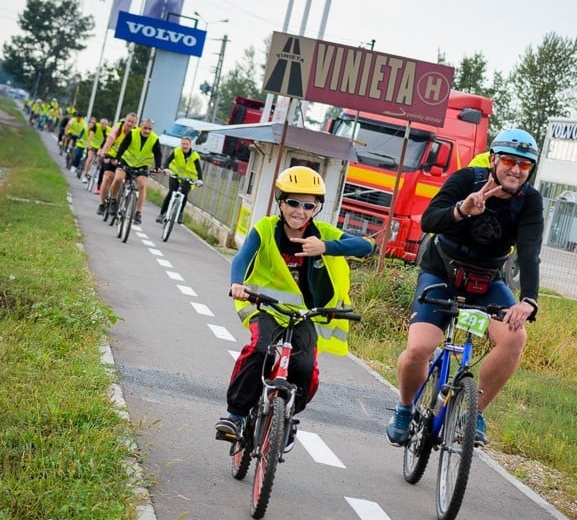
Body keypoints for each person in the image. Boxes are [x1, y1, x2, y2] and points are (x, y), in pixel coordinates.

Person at [386, 128, 544, 448]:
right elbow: (429, 220)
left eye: (524, 165)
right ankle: (405, 408)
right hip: (442, 272)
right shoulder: (466, 180)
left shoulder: (530, 201)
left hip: (486, 280)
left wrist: (528, 299)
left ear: (531, 170)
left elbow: (529, 252)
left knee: (515, 337)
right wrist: (462, 210)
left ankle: (474, 413)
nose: (516, 169)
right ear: (495, 160)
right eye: (510, 161)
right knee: (418, 350)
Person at [215, 165, 375, 452]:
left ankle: (286, 418)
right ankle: (236, 416)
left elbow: (366, 247)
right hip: (265, 307)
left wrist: (325, 247)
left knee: (303, 368)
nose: (299, 210)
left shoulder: (323, 234)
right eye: (292, 202)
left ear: (316, 209)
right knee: (260, 350)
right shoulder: (265, 228)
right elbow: (241, 259)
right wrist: (237, 283)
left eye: (308, 205)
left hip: (305, 317)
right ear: (281, 202)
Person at [111, 118, 162, 225]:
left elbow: (158, 154)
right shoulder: (132, 133)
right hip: (127, 161)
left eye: (150, 129)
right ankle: (113, 200)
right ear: (140, 126)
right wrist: (117, 158)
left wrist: (158, 167)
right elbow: (123, 146)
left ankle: (138, 213)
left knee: (142, 185)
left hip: (141, 166)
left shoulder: (154, 139)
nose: (147, 131)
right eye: (145, 128)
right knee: (119, 178)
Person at [96, 112, 138, 215]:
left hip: (124, 158)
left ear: (135, 123)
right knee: (107, 177)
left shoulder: (135, 132)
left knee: (122, 180)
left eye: (132, 122)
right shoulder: (117, 128)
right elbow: (109, 141)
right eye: (128, 121)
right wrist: (105, 155)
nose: (129, 124)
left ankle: (117, 199)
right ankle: (102, 204)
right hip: (112, 154)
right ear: (125, 120)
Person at [156, 135, 203, 225]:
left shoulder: (194, 155)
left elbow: (199, 169)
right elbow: (168, 161)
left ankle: (180, 213)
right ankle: (161, 214)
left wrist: (200, 180)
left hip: (188, 178)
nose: (185, 146)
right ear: (181, 144)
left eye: (187, 144)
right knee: (171, 192)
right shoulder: (177, 151)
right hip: (175, 175)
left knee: (184, 194)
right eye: (183, 144)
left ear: (190, 145)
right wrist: (166, 169)